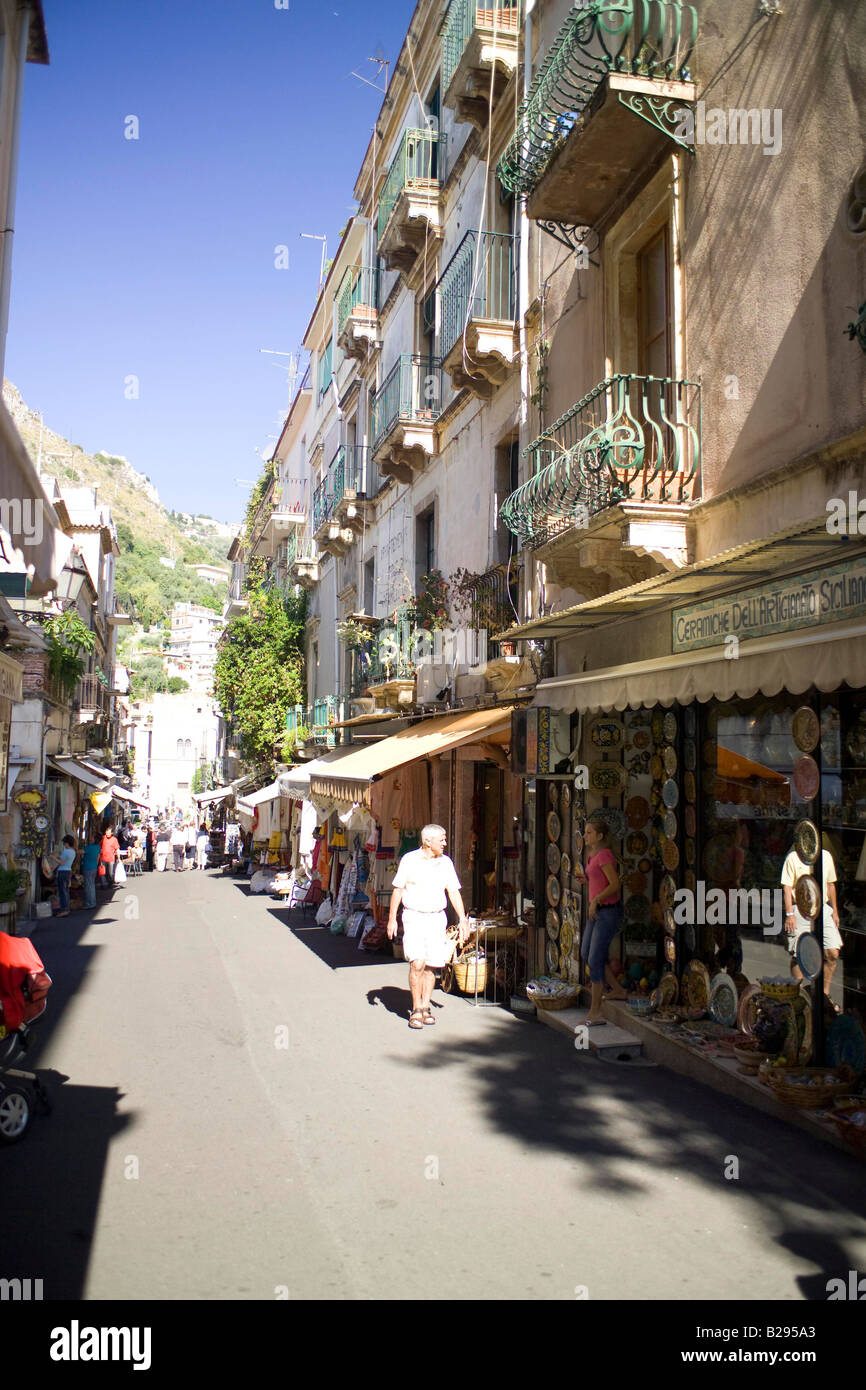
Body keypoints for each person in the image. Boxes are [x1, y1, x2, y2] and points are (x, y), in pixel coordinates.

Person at [386, 824, 470, 1030]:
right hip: (414, 916)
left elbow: (453, 892)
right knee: (417, 963)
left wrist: (462, 918)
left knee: (432, 965)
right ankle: (415, 1008)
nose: (445, 843)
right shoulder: (409, 860)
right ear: (427, 841)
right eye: (441, 839)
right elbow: (398, 890)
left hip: (436, 917)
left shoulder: (446, 863)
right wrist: (391, 919)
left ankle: (425, 1006)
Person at [574, 815, 627, 1026]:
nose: (585, 836)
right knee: (587, 953)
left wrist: (595, 899)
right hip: (596, 911)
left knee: (594, 957)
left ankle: (596, 1011)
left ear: (600, 836)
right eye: (585, 832)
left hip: (607, 912)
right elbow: (600, 880)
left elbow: (615, 885)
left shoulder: (605, 854)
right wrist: (587, 881)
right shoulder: (591, 855)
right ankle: (617, 989)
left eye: (588, 833)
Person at [781, 839, 842, 1011]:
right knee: (798, 954)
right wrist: (789, 914)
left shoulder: (826, 856)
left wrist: (835, 911)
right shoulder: (793, 857)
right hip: (799, 907)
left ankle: (824, 995)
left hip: (821, 908)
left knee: (832, 952)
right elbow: (786, 887)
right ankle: (798, 998)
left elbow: (830, 885)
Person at [55, 835, 77, 917]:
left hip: (62, 871)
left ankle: (64, 909)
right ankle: (66, 908)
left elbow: (61, 862)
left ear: (67, 843)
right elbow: (64, 859)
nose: (64, 845)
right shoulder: (73, 851)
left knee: (62, 891)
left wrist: (53, 858)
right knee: (66, 891)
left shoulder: (66, 851)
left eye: (64, 843)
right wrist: (59, 857)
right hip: (68, 871)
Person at [82, 830, 102, 908]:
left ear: (94, 839)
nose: (90, 837)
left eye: (92, 836)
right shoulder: (98, 847)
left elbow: (79, 852)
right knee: (91, 885)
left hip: (87, 867)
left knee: (88, 886)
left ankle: (89, 903)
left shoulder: (89, 847)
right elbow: (97, 858)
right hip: (94, 867)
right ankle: (92, 902)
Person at [100, 823, 120, 888]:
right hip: (103, 858)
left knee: (110, 873)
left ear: (112, 833)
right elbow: (99, 846)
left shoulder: (114, 839)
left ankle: (110, 883)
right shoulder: (103, 838)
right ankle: (104, 884)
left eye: (109, 833)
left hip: (111, 859)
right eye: (107, 832)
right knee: (102, 872)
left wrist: (118, 858)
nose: (107, 834)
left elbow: (117, 849)